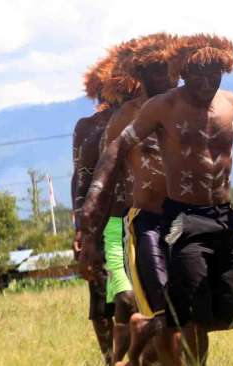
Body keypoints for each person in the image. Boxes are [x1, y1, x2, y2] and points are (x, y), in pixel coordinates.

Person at [80, 33, 233, 365]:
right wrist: (91, 216)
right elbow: (112, 159)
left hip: (219, 218)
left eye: (213, 72)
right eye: (196, 73)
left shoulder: (229, 103)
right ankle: (161, 335)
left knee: (229, 308)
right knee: (182, 312)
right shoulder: (149, 112)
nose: (206, 81)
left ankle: (143, 330)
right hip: (166, 221)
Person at [92, 33, 180, 365]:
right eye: (157, 71)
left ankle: (141, 340)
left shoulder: (192, 109)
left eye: (171, 70)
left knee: (193, 317)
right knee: (164, 314)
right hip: (145, 223)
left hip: (190, 223)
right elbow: (105, 177)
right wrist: (90, 233)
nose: (168, 78)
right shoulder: (121, 121)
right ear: (139, 76)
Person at [72, 47, 139, 365]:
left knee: (133, 296)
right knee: (102, 301)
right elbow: (80, 181)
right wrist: (80, 228)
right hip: (101, 222)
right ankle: (110, 358)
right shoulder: (87, 127)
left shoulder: (144, 118)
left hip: (135, 217)